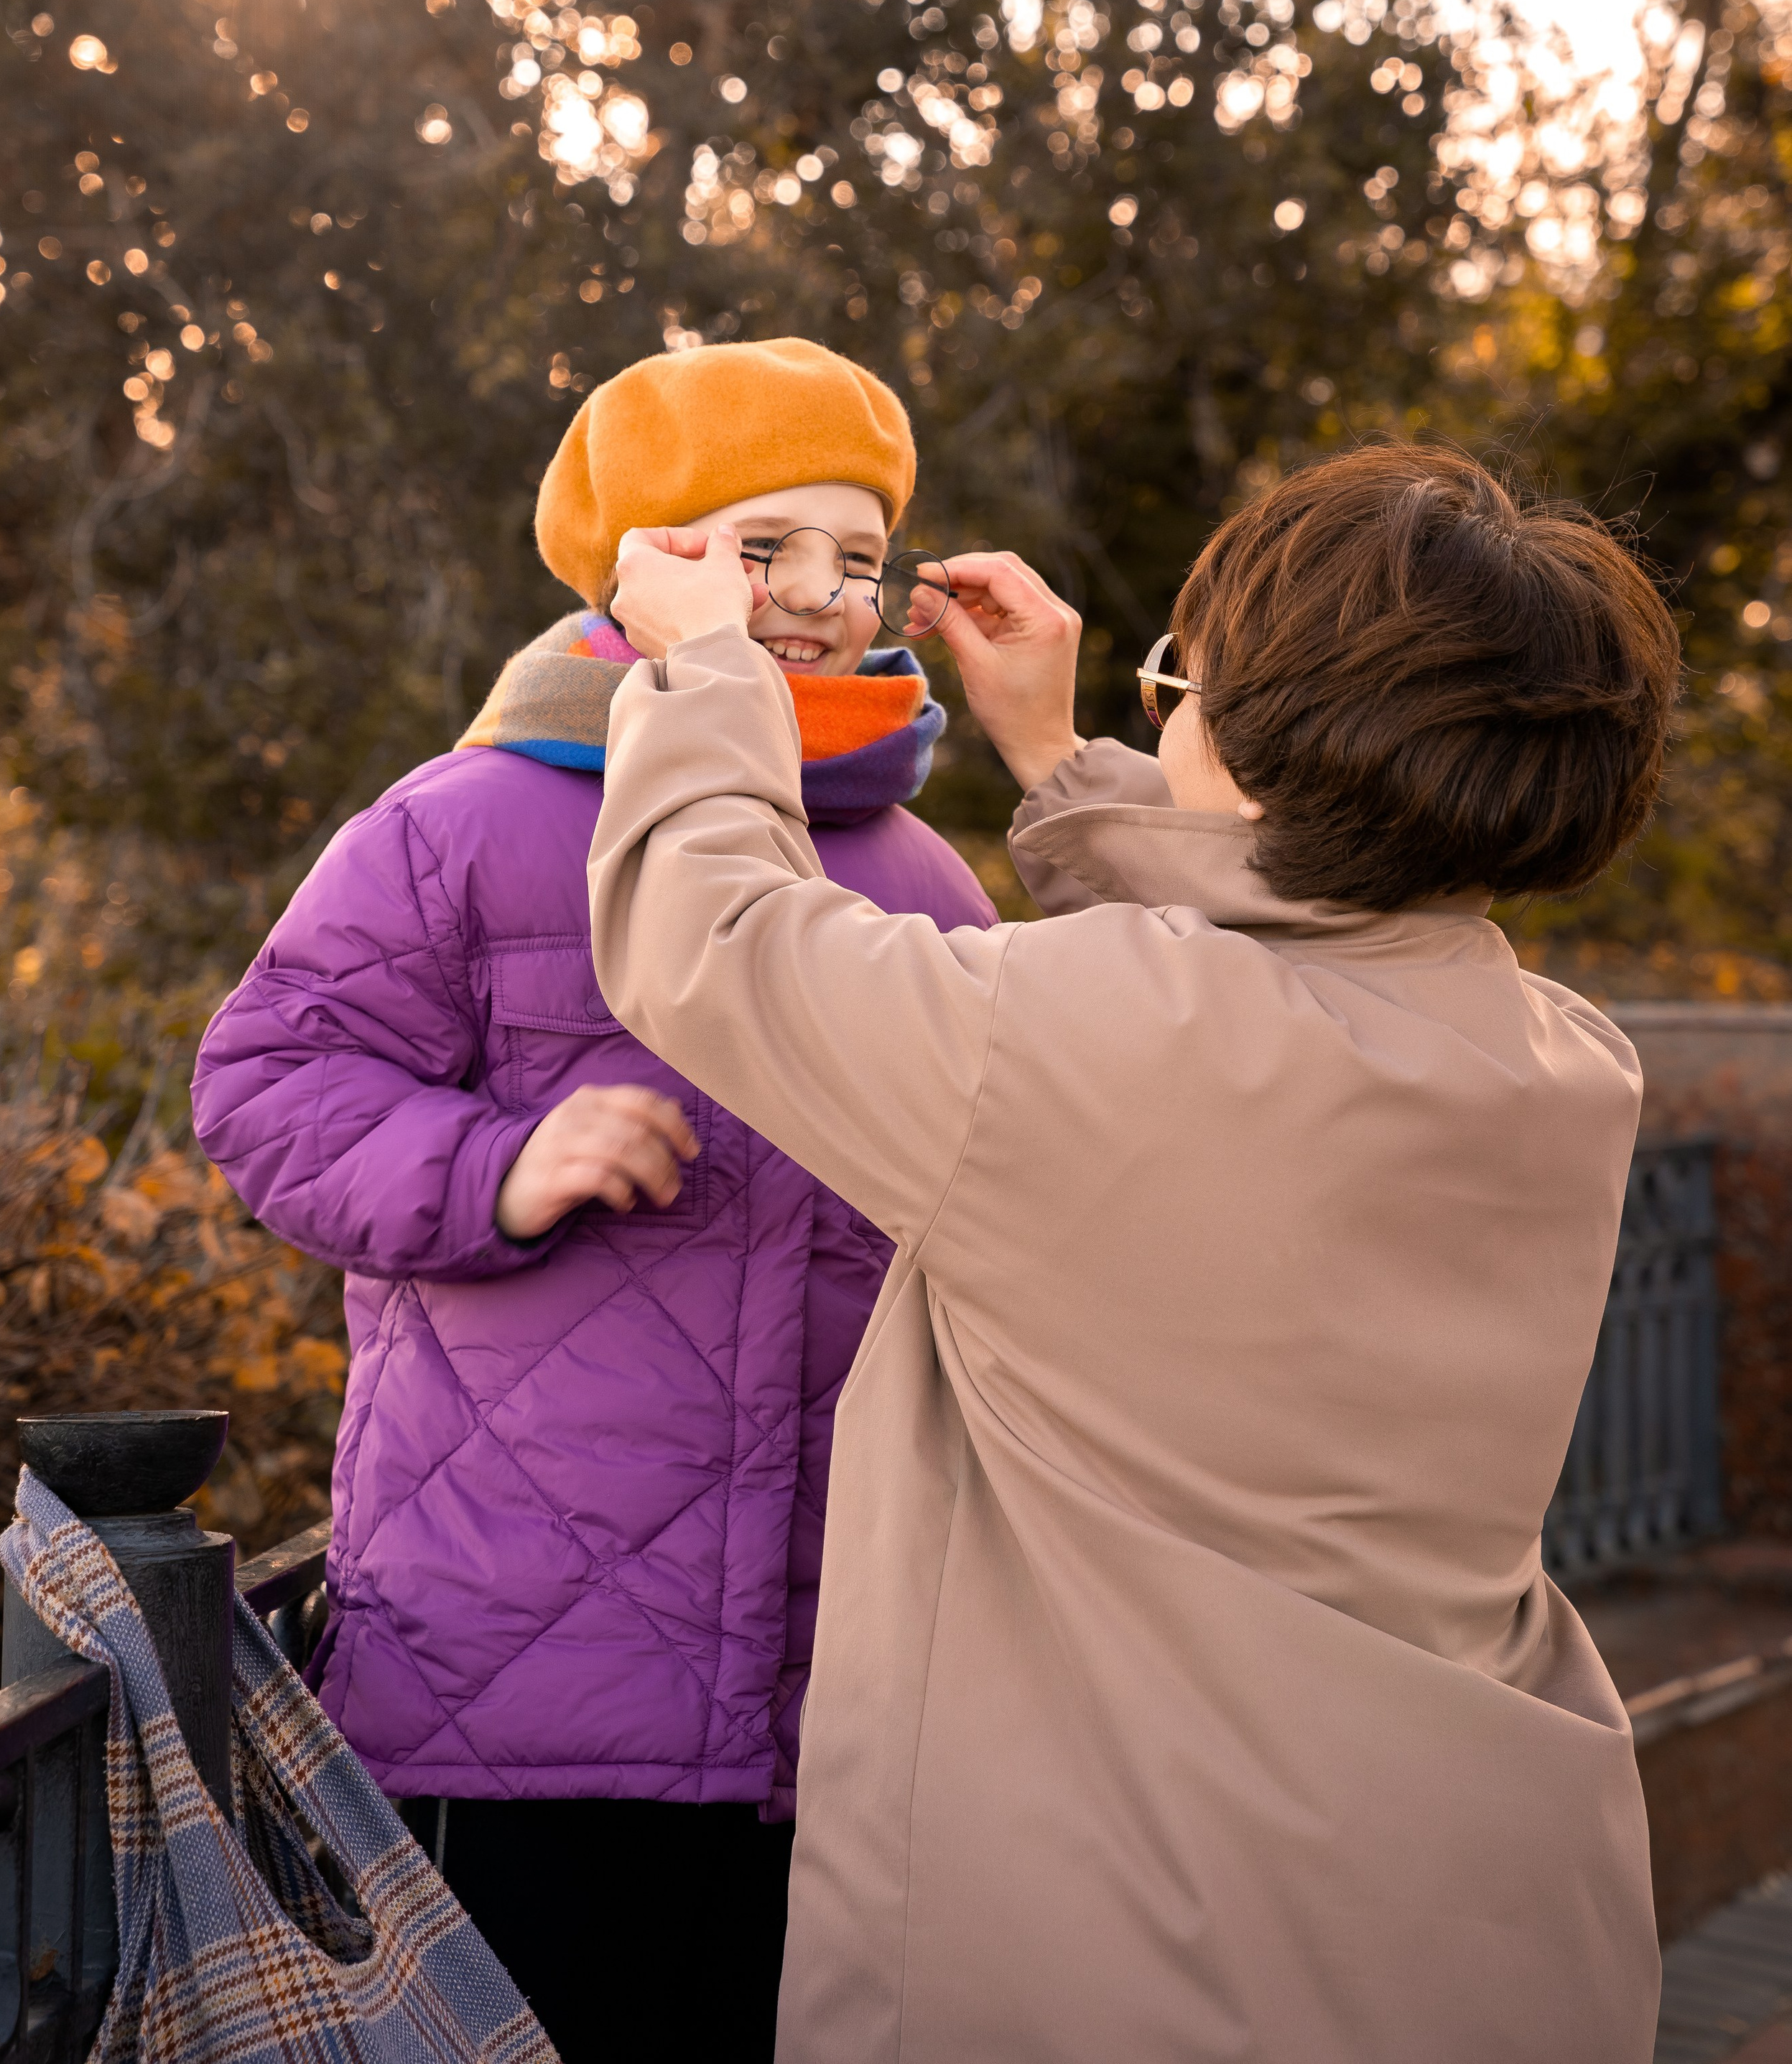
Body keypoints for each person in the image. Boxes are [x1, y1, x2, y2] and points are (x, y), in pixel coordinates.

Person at [589, 442, 1679, 2064]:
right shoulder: (1561, 1064)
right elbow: (1275, 958)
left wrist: (705, 671)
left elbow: (716, 939)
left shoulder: (1063, 1051)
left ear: (1250, 732)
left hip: (1131, 1945)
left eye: (1184, 680)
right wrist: (1057, 752)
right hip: (1483, 1916)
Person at [190, 338, 995, 2062]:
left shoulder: (916, 867)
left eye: (857, 558)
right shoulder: (460, 822)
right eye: (756, 543)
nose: (814, 593)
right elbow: (266, 1088)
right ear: (633, 561)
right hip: (519, 1676)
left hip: (832, 1670)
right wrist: (496, 1164)